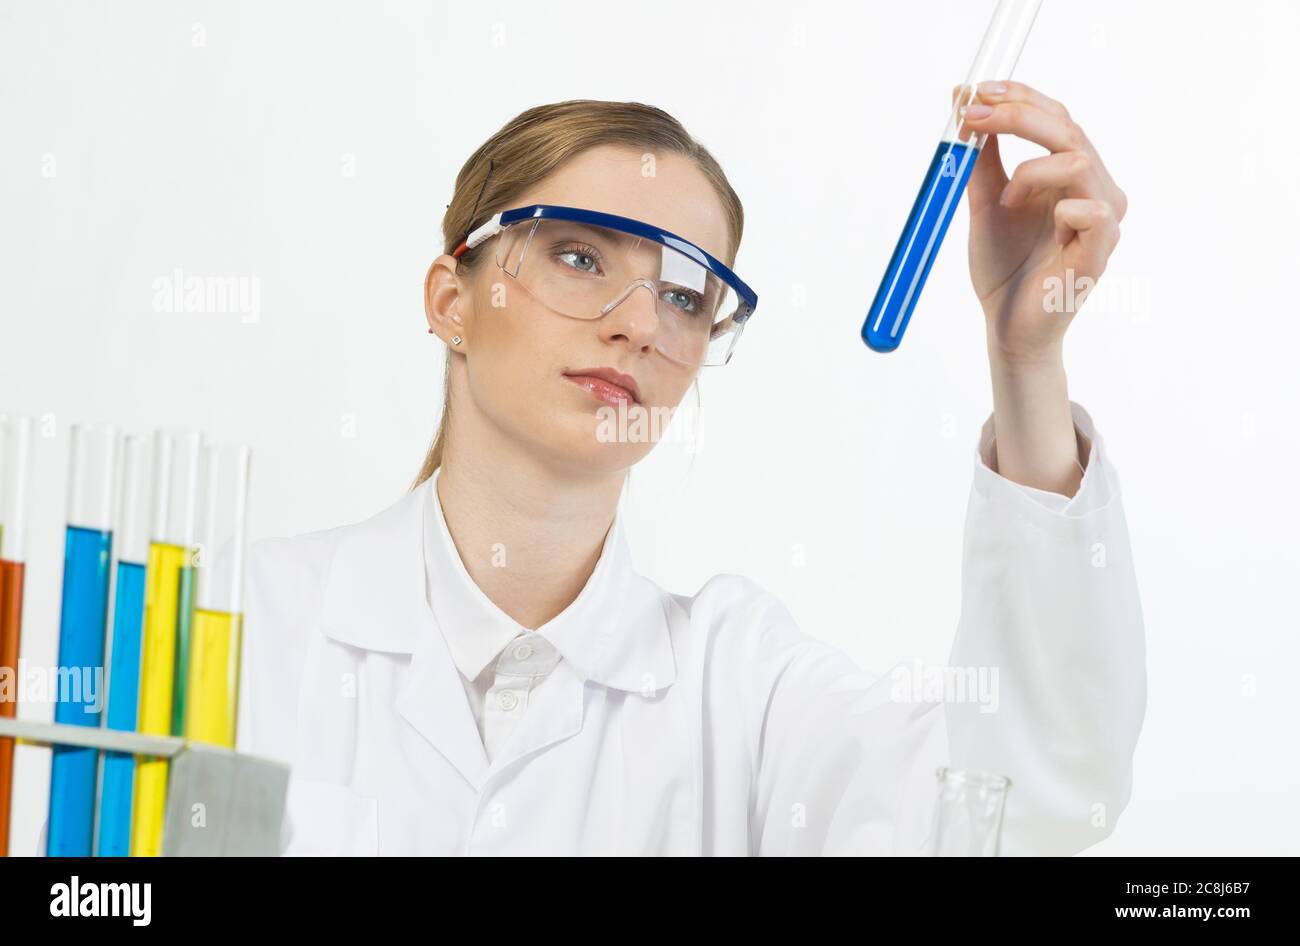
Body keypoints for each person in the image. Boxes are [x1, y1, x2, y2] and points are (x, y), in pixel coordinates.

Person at [238, 88, 1145, 856]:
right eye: (580, 255)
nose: (638, 325)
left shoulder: (739, 691)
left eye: (683, 295)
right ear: (451, 301)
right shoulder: (245, 625)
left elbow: (1028, 796)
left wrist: (1025, 358)